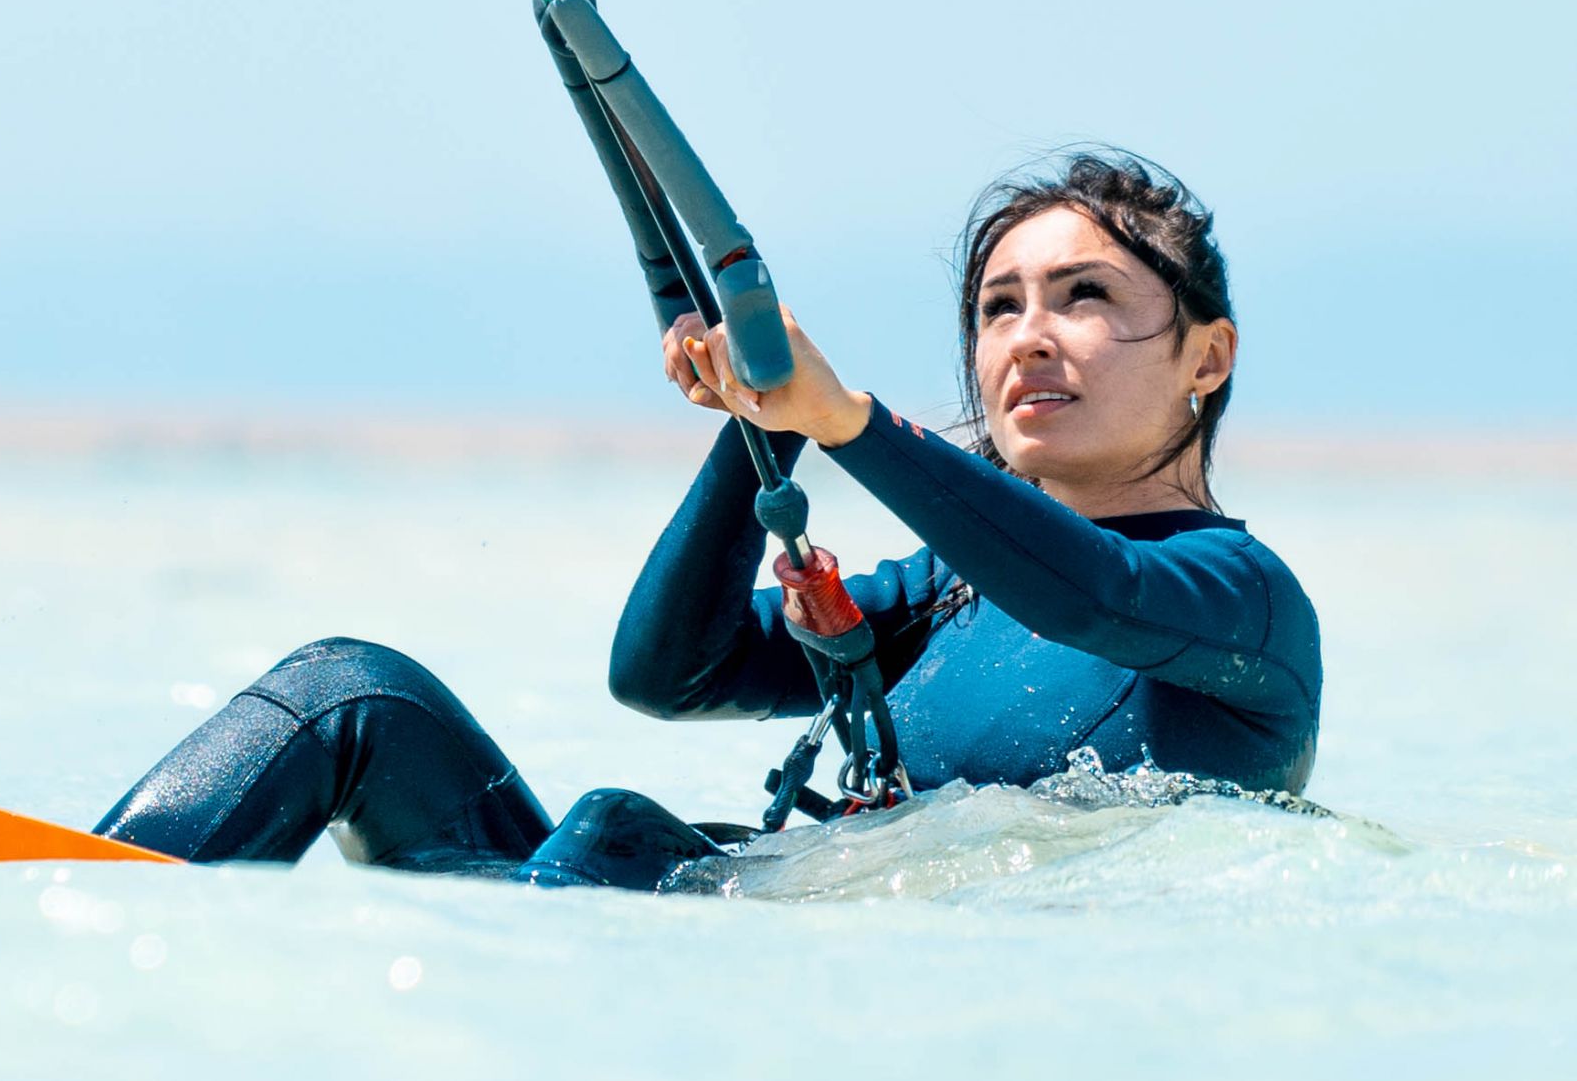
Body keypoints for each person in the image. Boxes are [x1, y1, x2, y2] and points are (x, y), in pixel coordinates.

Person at [93, 152, 1323, 889]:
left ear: (1207, 355)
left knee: (615, 834)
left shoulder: (1241, 605)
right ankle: (69, 907)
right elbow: (666, 672)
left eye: (1084, 296)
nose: (1028, 337)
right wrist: (765, 425)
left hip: (714, 945)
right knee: (354, 694)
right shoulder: (952, 589)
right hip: (642, 914)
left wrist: (849, 421)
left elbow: (1095, 595)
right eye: (999, 308)